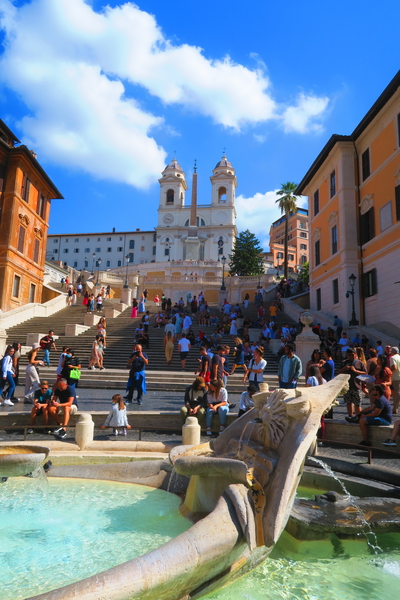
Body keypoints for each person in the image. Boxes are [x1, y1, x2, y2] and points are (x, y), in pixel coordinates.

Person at [337, 348, 366, 417]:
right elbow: (338, 372)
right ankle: (350, 415)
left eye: (352, 355)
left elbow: (365, 373)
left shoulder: (359, 362)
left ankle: (358, 416)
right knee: (348, 402)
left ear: (355, 354)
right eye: (349, 355)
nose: (350, 356)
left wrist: (355, 371)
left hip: (356, 386)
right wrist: (344, 368)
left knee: (357, 403)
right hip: (347, 386)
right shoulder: (344, 362)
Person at [390, 346, 400, 414]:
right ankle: (395, 408)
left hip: (396, 377)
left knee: (397, 393)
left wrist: (389, 369)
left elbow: (394, 367)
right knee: (397, 393)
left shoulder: (392, 358)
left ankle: (395, 408)